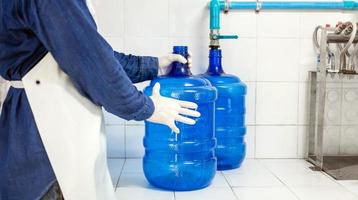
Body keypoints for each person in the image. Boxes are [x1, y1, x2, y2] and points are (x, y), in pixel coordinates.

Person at [0, 0, 200, 199]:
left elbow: (92, 53)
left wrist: (155, 66)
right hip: (44, 131)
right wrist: (148, 107)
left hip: (28, 121)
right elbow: (95, 65)